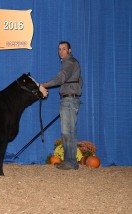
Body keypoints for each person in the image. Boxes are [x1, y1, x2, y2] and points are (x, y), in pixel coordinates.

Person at [41, 41, 83, 170]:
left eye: (64, 49)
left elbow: (60, 78)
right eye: (59, 49)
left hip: (69, 100)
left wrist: (44, 85)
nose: (61, 51)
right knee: (68, 131)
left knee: (68, 132)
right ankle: (69, 161)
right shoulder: (71, 63)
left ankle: (71, 162)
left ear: (69, 50)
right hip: (69, 99)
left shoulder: (69, 63)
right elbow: (80, 81)